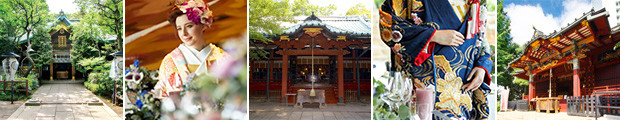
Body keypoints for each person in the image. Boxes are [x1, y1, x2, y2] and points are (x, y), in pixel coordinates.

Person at [379, 0, 492, 119]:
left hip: (462, 92)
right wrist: (433, 35)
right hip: (421, 86)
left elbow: (480, 37)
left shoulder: (477, 2)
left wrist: (482, 66)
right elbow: (387, 24)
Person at [155, 0, 229, 98]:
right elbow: (162, 97)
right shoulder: (170, 61)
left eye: (189, 26)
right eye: (179, 28)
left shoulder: (223, 58)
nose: (184, 33)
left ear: (203, 24)